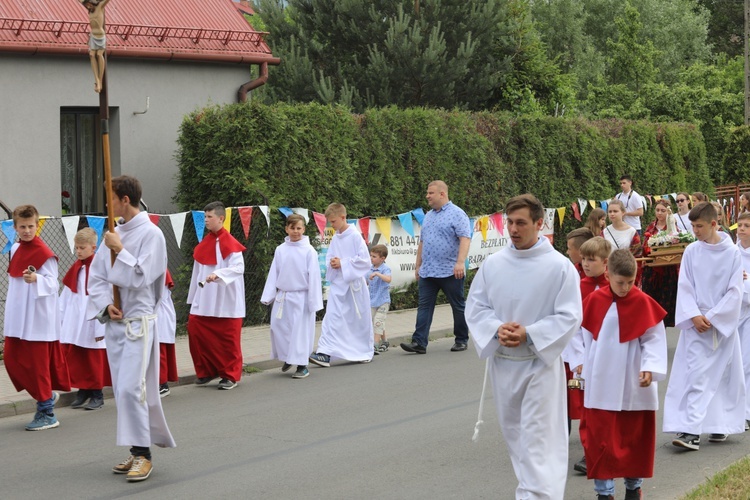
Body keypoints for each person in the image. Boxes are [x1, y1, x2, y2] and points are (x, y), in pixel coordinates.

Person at [466, 194, 582, 499]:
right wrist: (496, 328)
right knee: (516, 438)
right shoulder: (493, 265)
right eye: (509, 222)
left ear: (539, 224)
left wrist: (529, 333)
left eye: (521, 223)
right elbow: (476, 307)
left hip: (539, 365)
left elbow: (570, 315)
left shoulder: (559, 267)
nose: (513, 229)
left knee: (538, 440)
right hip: (504, 364)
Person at [87, 175, 175, 481]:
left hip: (139, 322)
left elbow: (142, 278)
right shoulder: (114, 232)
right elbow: (97, 277)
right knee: (123, 391)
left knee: (131, 389)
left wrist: (120, 249)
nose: (107, 204)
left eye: (111, 198)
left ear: (125, 199)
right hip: (116, 322)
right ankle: (136, 448)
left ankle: (144, 455)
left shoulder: (152, 235)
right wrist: (103, 305)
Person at [576, 249, 668, 500]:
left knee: (633, 440)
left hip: (633, 382)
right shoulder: (594, 300)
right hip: (602, 380)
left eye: (631, 282)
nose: (626, 288)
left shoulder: (643, 302)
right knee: (602, 441)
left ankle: (633, 488)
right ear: (608, 274)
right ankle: (604, 494)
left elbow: (653, 339)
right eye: (620, 282)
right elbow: (577, 333)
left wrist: (649, 367)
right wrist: (579, 361)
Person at [663, 201, 746, 450]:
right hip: (696, 323)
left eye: (699, 226)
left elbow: (735, 291)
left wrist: (715, 317)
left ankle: (713, 426)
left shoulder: (732, 253)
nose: (695, 230)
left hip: (720, 324)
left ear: (713, 224)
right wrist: (694, 315)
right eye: (693, 226)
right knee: (696, 375)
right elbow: (685, 286)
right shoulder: (691, 251)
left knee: (721, 375)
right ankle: (692, 429)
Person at [4, 204, 70, 431]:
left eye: (31, 226)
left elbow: (53, 284)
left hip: (38, 320)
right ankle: (47, 396)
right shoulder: (14, 249)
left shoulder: (45, 253)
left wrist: (37, 280)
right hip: (17, 317)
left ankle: (47, 412)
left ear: (37, 225)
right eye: (22, 227)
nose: (27, 231)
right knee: (12, 359)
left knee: (38, 367)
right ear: (15, 227)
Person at [401, 180, 472, 354]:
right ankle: (419, 342)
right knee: (424, 306)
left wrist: (460, 262)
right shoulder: (429, 215)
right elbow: (422, 242)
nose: (427, 196)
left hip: (450, 270)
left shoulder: (457, 214)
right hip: (428, 270)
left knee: (457, 305)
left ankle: (461, 339)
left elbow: (465, 238)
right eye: (427, 193)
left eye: (430, 193)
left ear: (442, 194)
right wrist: (418, 265)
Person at [563, 236, 612, 476]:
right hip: (584, 357)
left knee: (608, 407)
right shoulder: (577, 287)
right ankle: (590, 452)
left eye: (591, 260)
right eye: (583, 259)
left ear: (606, 262)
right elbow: (571, 327)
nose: (585, 264)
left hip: (611, 357)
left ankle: (608, 449)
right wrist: (578, 359)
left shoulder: (614, 286)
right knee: (587, 408)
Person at [187, 201, 246, 390]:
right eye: (204, 217)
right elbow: (197, 272)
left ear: (221, 218)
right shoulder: (204, 243)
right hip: (204, 298)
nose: (205, 220)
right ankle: (207, 371)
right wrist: (193, 297)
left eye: (209, 217)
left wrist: (219, 274)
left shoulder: (231, 243)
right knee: (195, 330)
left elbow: (238, 268)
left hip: (225, 298)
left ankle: (230, 376)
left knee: (228, 340)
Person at [309, 203, 373, 367]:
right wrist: (333, 262)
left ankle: (361, 351)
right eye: (330, 222)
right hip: (339, 285)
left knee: (356, 321)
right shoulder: (336, 237)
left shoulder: (355, 236)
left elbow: (365, 261)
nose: (331, 225)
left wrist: (343, 263)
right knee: (332, 318)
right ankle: (325, 352)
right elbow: (331, 256)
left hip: (354, 287)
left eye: (334, 221)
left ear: (343, 217)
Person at [261, 214, 323, 379]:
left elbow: (314, 277)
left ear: (304, 229)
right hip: (283, 296)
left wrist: (314, 301)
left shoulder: (309, 251)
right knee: (279, 327)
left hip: (301, 297)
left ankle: (302, 365)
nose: (296, 231)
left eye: (299, 228)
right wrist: (269, 296)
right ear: (286, 229)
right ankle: (288, 357)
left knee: (299, 332)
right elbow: (274, 272)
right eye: (292, 228)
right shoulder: (281, 249)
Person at [60, 227, 110, 410]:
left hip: (92, 320)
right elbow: (67, 295)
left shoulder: (100, 269)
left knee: (93, 357)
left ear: (93, 247)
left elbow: (105, 298)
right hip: (77, 320)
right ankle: (84, 390)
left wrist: (100, 327)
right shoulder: (77, 267)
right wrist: (62, 320)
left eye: (82, 248)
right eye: (77, 247)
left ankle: (97, 394)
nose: (78, 251)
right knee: (79, 355)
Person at [642, 199, 679, 326]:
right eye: (657, 210)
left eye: (663, 211)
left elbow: (677, 244)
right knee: (651, 301)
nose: (660, 213)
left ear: (668, 212)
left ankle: (663, 327)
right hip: (651, 269)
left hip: (668, 270)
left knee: (665, 301)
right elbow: (644, 246)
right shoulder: (651, 227)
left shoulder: (673, 226)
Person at [603, 200, 643, 287]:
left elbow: (637, 255)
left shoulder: (632, 232)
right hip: (610, 272)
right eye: (610, 211)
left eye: (615, 211)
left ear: (623, 212)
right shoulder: (605, 232)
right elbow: (601, 253)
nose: (612, 214)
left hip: (626, 272)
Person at [736, 212, 750, 431]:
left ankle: (745, 411)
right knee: (734, 363)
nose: (742, 228)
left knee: (746, 363)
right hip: (734, 312)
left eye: (747, 225)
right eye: (739, 224)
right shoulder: (732, 252)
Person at [81, 0, 110, 93]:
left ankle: (100, 80)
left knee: (99, 55)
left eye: (88, 5)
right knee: (92, 55)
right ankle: (96, 79)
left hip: (100, 35)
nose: (87, 7)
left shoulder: (100, 7)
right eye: (86, 6)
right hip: (93, 35)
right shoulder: (90, 10)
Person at [157, 270, 178, 397]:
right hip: (148, 314)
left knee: (159, 352)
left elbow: (158, 296)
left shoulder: (160, 271)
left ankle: (162, 384)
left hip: (159, 314)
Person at [368, 244, 392, 354]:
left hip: (383, 301)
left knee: (378, 321)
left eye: (374, 256)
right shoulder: (369, 268)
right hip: (372, 301)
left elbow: (388, 279)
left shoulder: (385, 269)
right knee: (375, 321)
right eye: (371, 256)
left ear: (382, 258)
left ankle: (375, 345)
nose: (371, 258)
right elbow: (366, 281)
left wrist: (377, 274)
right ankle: (385, 342)